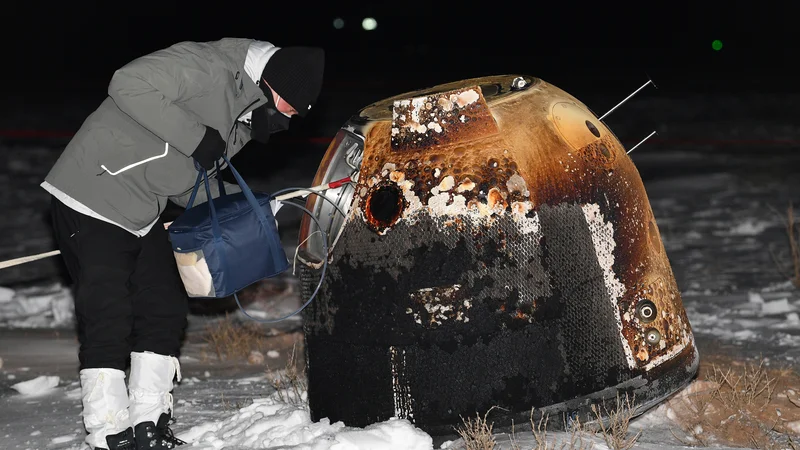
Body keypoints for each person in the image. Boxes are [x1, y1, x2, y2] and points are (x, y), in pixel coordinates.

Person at [40, 38, 325, 450]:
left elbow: (190, 182)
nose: (291, 118)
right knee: (109, 313)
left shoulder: (244, 114)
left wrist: (251, 205)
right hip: (92, 193)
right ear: (276, 85)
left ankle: (148, 425)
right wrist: (195, 137)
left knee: (165, 309)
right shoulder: (208, 66)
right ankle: (107, 432)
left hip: (142, 209)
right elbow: (127, 83)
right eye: (292, 107)